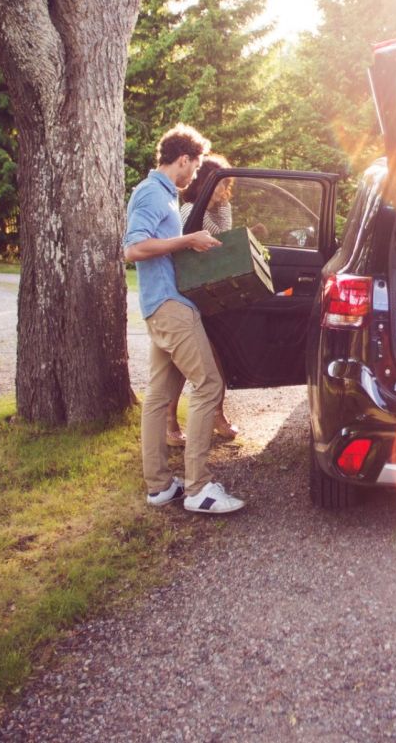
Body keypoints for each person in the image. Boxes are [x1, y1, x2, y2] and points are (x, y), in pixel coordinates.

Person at [123, 124, 245, 515]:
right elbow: (134, 248)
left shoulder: (165, 195)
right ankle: (199, 489)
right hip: (170, 308)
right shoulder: (150, 194)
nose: (195, 175)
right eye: (194, 167)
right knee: (209, 383)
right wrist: (188, 240)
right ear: (183, 160)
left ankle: (160, 487)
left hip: (162, 304)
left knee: (158, 399)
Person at [164, 154, 239, 445]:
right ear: (206, 183)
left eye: (226, 184)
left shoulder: (217, 209)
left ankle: (217, 414)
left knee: (213, 356)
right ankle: (171, 419)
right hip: (188, 294)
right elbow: (216, 245)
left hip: (210, 294)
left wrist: (221, 202)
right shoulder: (190, 212)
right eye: (220, 185)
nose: (225, 191)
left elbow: (226, 237)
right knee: (184, 363)